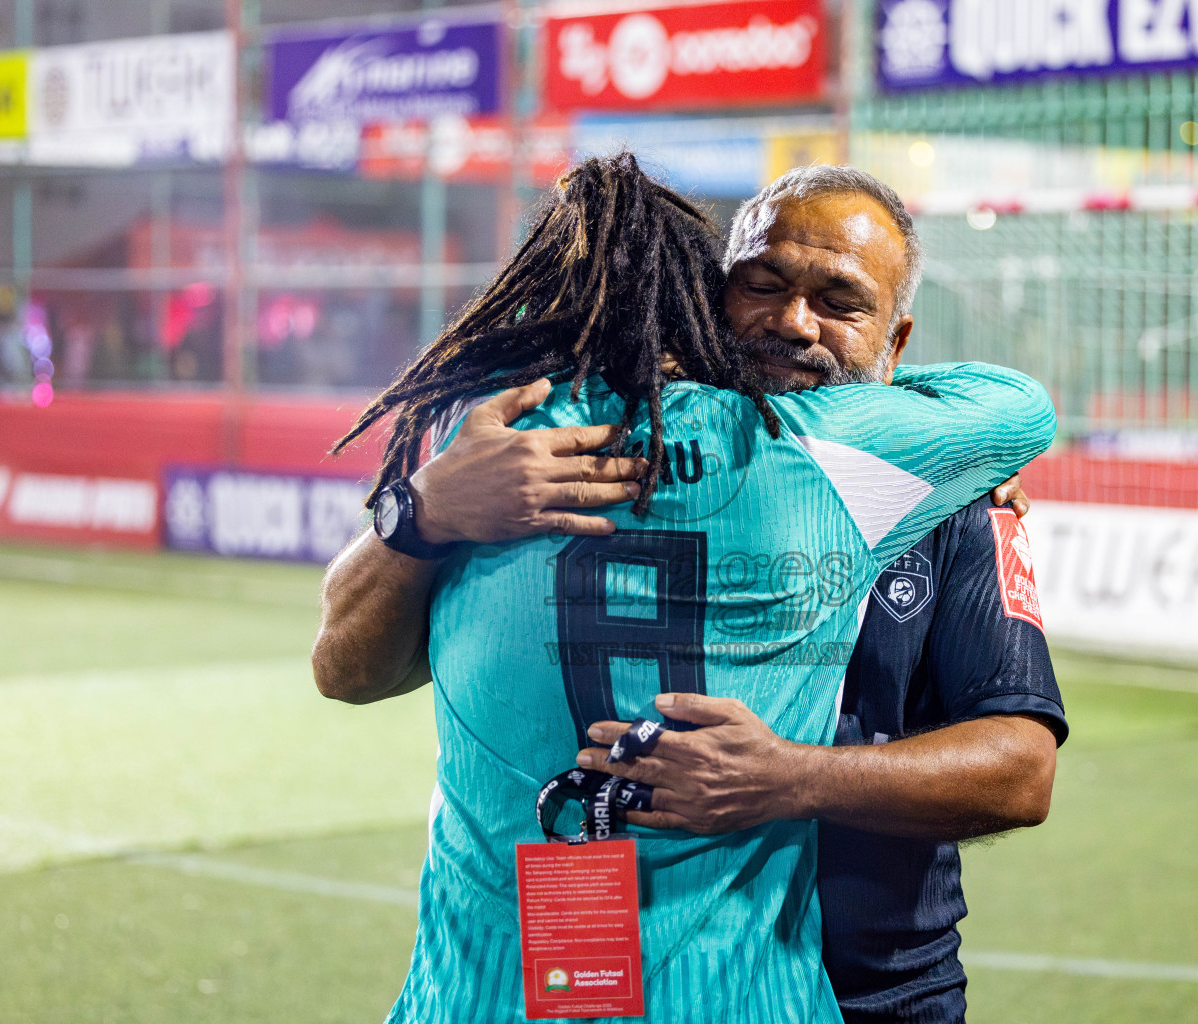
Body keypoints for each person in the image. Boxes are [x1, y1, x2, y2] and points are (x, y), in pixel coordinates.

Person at [314, 155, 1055, 1023]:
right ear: (707, 296)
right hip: (758, 989)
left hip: (878, 979)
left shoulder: (495, 428)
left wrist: (793, 777)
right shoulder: (500, 469)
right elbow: (1020, 404)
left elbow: (1022, 769)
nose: (793, 322)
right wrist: (428, 507)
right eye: (763, 285)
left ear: (895, 342)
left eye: (840, 302)